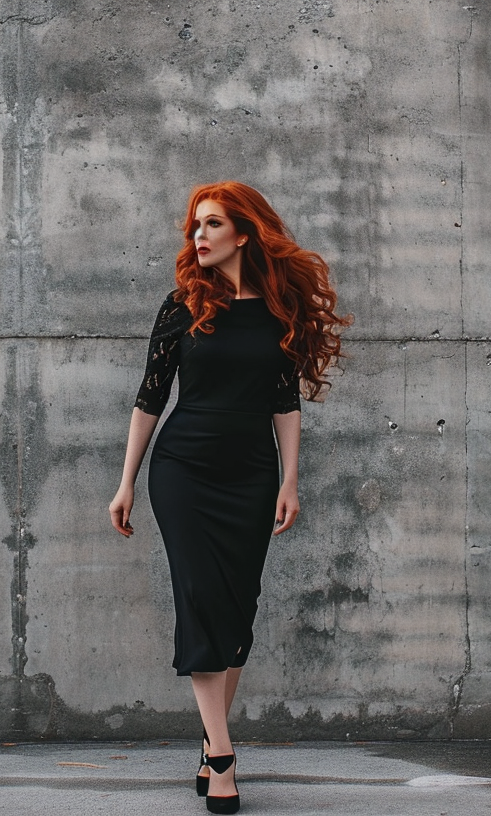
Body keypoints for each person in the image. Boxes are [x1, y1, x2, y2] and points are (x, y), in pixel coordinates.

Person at [109, 181, 350, 814]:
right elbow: (150, 397)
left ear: (243, 233)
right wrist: (127, 479)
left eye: (211, 225)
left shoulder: (276, 311)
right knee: (200, 598)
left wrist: (291, 479)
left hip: (250, 474)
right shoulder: (182, 305)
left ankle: (214, 741)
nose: (199, 237)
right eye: (194, 227)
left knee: (237, 610)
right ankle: (221, 755)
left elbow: (284, 401)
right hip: (183, 470)